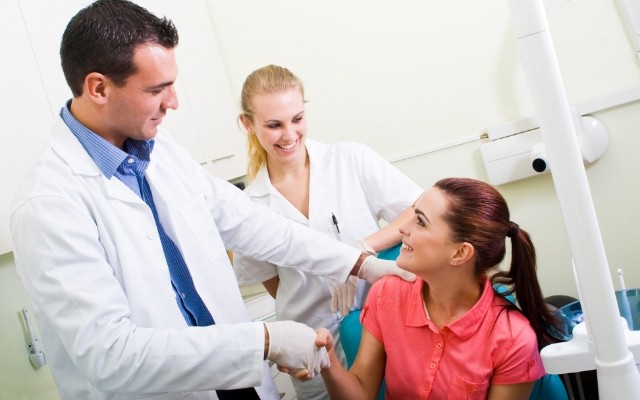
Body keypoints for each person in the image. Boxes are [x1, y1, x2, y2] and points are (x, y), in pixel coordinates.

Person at [9, 1, 411, 399]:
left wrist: (359, 263)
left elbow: (254, 225)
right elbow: (112, 355)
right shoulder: (49, 202)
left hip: (239, 384)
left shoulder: (161, 149)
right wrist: (266, 341)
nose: (174, 102)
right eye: (157, 89)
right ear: (98, 88)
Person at [232, 64, 423, 400]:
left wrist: (360, 253)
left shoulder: (350, 159)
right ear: (247, 124)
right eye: (274, 125)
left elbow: (418, 211)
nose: (289, 134)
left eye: (297, 119)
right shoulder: (248, 205)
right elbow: (276, 285)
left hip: (382, 329)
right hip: (313, 348)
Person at [316, 177, 558, 400]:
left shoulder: (512, 338)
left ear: (460, 253)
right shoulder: (386, 294)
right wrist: (328, 361)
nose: (402, 229)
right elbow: (361, 392)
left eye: (420, 221)